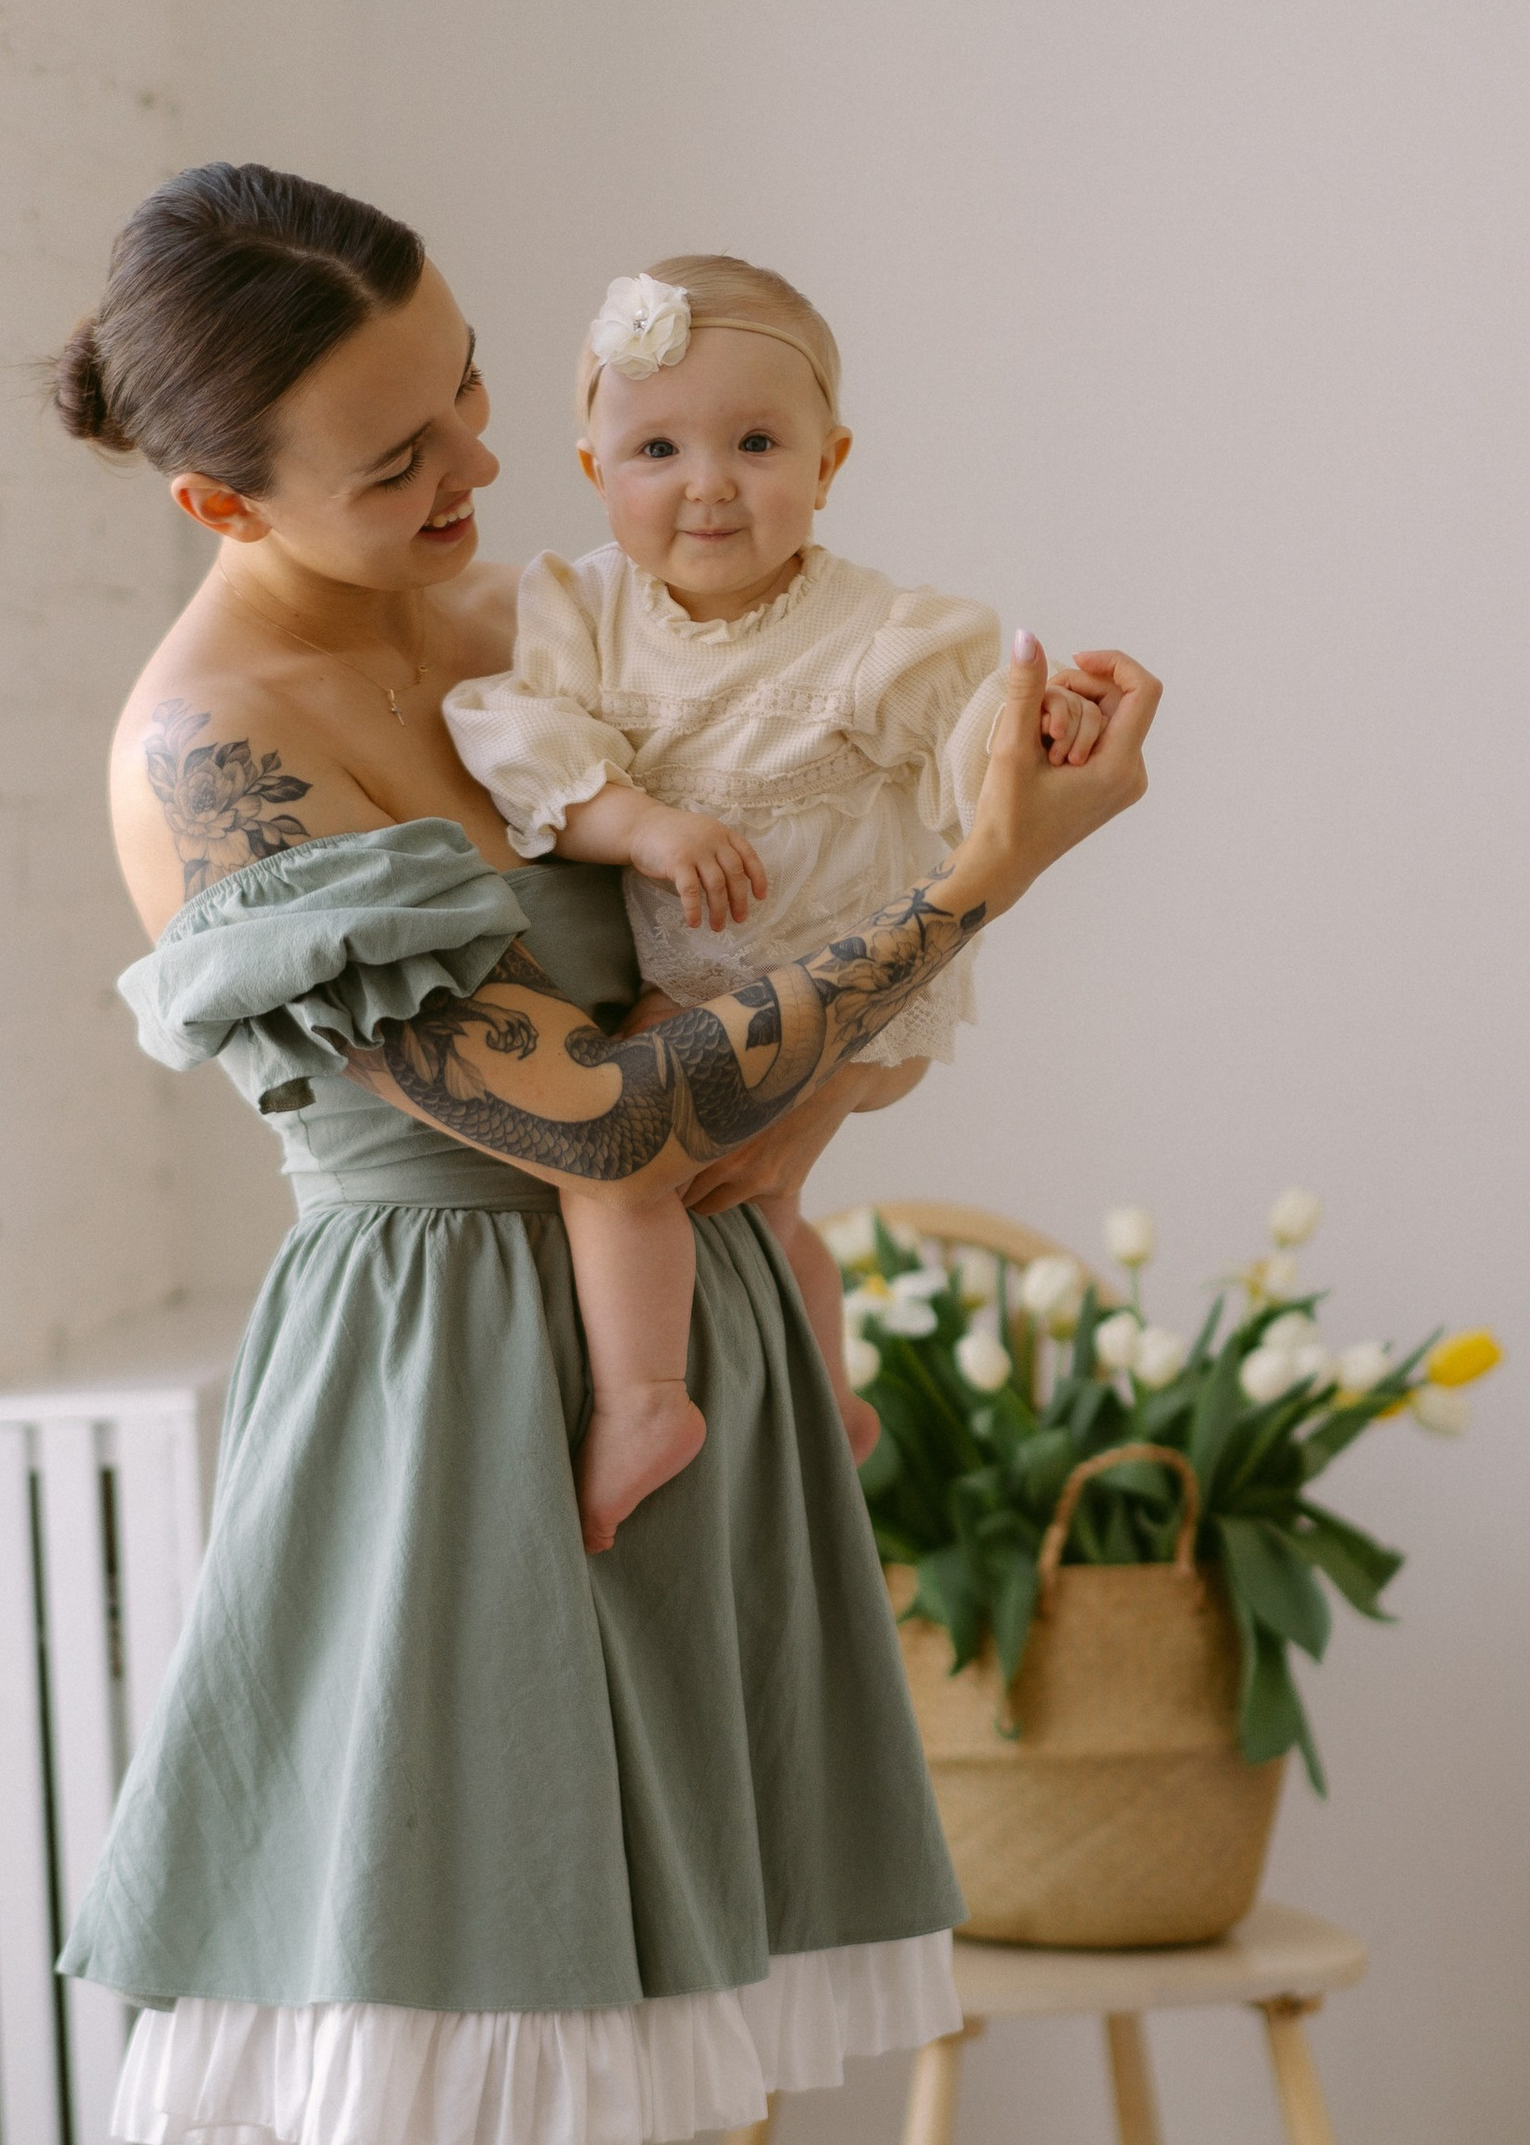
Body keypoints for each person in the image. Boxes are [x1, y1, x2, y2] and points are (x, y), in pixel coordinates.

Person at [44, 163, 1157, 2145]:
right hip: (453, 1458)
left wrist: (952, 761)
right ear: (219, 497)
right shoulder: (230, 747)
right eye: (395, 451)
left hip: (582, 1430)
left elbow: (731, 910)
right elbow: (613, 1114)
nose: (468, 478)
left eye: (460, 399)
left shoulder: (464, 630)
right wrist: (987, 871)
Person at [444, 255, 1108, 1551]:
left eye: (756, 441)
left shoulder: (878, 633)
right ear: (592, 469)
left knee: (610, 1149)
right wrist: (636, 821)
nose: (708, 482)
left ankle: (641, 1401)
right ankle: (832, 1390)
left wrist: (1041, 722)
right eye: (656, 447)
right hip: (709, 974)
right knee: (764, 1204)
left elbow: (972, 748)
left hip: (857, 981)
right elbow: (512, 732)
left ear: (829, 459)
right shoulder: (580, 610)